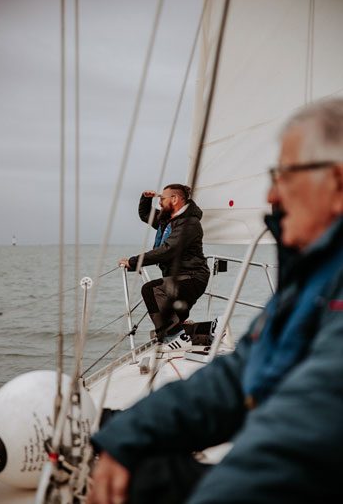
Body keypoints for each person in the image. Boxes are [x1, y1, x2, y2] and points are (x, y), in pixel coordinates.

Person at [87, 98, 343, 504]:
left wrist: (136, 260)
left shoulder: (188, 225)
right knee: (143, 471)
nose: (272, 194)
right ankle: (169, 338)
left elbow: (304, 433)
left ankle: (173, 332)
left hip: (306, 477)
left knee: (155, 289)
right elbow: (238, 376)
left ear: (337, 183)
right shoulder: (311, 280)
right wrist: (123, 436)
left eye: (285, 175)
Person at [119, 184, 210, 350]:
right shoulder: (167, 219)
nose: (159, 203)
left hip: (192, 278)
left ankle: (176, 338)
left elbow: (168, 251)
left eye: (162, 199)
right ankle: (198, 331)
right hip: (180, 277)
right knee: (175, 316)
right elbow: (146, 214)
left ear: (174, 199)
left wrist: (134, 261)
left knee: (151, 290)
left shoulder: (189, 224)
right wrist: (146, 199)